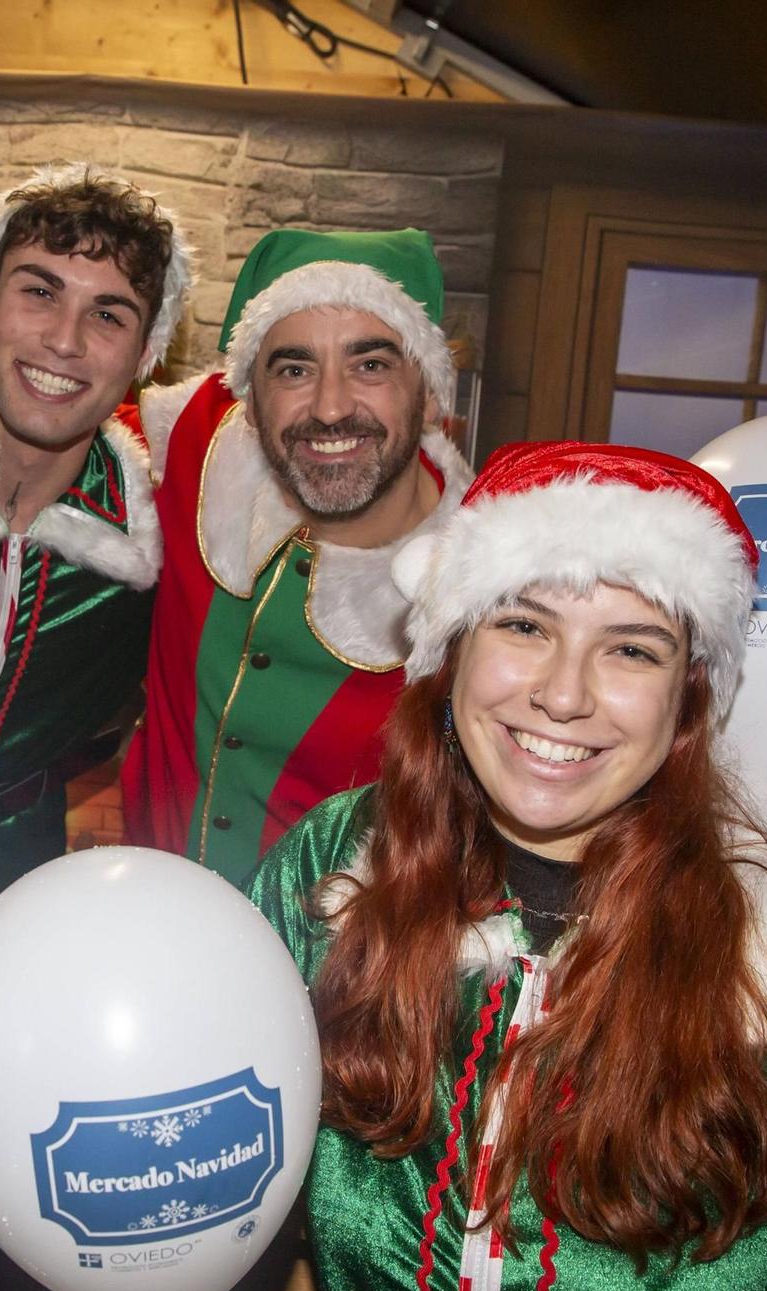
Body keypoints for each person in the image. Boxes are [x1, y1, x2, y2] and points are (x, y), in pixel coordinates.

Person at [244, 441, 767, 1291]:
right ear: (454, 649)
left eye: (631, 648)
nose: (564, 694)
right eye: (523, 625)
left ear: (689, 698)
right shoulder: (334, 869)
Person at [0, 163, 192, 934]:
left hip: (9, 890)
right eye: (40, 291)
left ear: (145, 353)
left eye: (109, 315)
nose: (64, 341)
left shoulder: (152, 545)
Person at [123, 227, 474, 885]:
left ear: (430, 394)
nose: (331, 406)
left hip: (330, 970)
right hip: (143, 912)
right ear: (248, 400)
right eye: (293, 368)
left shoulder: (482, 603)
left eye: (371, 364)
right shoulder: (194, 444)